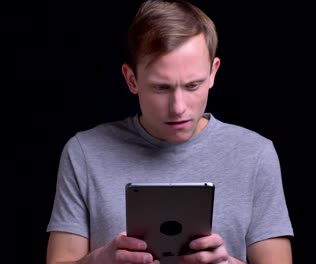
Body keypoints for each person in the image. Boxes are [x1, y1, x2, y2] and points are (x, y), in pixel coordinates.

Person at [46, 0, 294, 263]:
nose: (178, 108)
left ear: (213, 73)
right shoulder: (84, 153)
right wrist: (102, 259)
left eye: (193, 85)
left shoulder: (255, 154)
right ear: (132, 80)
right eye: (161, 88)